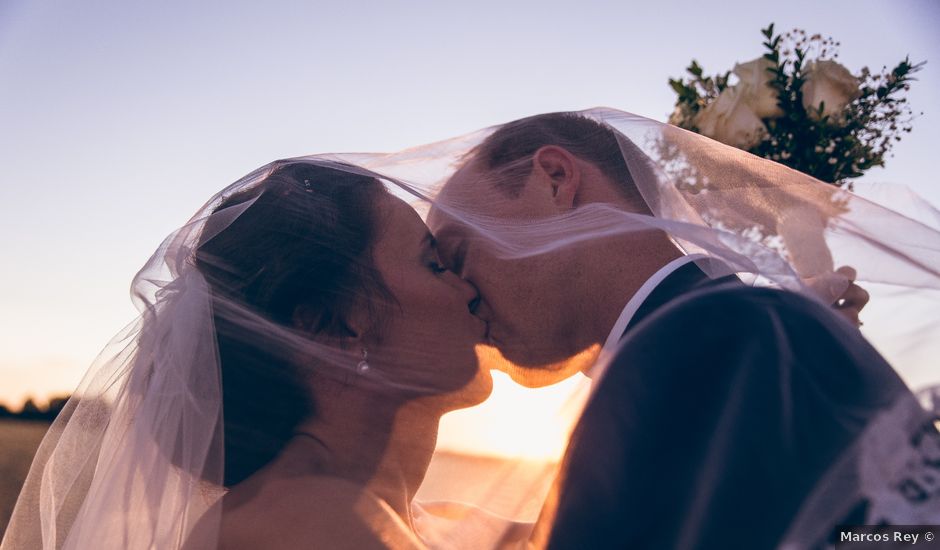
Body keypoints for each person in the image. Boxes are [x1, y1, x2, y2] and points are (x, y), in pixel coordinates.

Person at [428, 111, 940, 548]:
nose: (458, 294)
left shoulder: (701, 343)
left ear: (557, 177)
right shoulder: (740, 329)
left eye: (456, 254)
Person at [2, 161, 493, 549]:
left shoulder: (403, 520)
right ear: (335, 327)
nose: (468, 287)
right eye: (434, 265)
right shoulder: (300, 525)